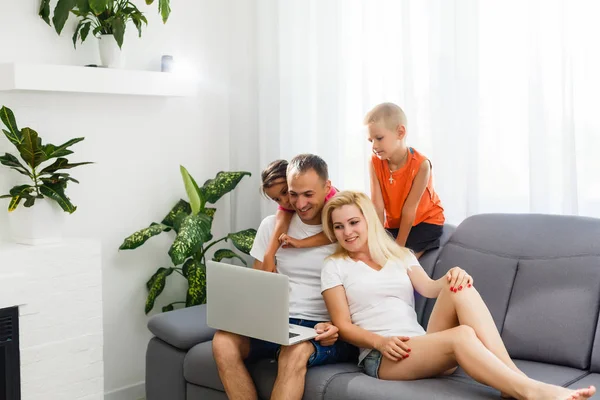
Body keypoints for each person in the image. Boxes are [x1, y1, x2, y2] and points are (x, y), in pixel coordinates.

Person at [320, 190, 596, 400]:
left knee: (459, 286)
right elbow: (343, 326)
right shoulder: (334, 266)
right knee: (462, 335)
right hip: (382, 356)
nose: (347, 232)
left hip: (422, 346)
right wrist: (380, 343)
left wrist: (453, 274)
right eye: (339, 226)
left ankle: (516, 380)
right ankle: (530, 390)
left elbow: (428, 288)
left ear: (368, 220)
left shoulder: (399, 255)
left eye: (353, 222)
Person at [212, 154, 357, 400]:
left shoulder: (344, 228)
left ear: (327, 188)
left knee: (295, 351)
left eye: (308, 195)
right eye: (292, 195)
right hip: (278, 324)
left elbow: (366, 285)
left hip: (322, 329)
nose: (299, 204)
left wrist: (338, 326)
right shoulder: (272, 226)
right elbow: (258, 283)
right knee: (223, 342)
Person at [365, 102, 445, 258]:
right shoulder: (374, 161)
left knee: (399, 262)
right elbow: (377, 206)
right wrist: (379, 241)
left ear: (400, 132)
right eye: (371, 140)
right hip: (395, 223)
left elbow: (410, 210)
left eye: (379, 138)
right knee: (373, 254)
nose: (374, 145)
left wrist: (398, 248)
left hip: (425, 222)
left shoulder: (421, 165)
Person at [260, 159, 336, 272]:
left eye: (285, 192)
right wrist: (269, 255)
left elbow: (334, 232)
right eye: (277, 199)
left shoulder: (334, 199)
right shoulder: (283, 211)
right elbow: (281, 224)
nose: (285, 202)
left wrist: (300, 243)